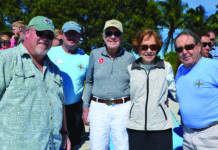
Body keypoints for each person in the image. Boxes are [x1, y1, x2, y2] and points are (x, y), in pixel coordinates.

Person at [0, 16, 70, 150]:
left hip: (53, 145)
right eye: (40, 33)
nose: (45, 38)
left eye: (49, 35)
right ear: (27, 33)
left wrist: (65, 132)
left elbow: (60, 103)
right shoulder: (6, 59)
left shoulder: (55, 70)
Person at [82, 19, 135, 150]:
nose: (112, 36)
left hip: (123, 108)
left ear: (122, 37)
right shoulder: (95, 54)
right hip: (98, 107)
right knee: (97, 146)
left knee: (123, 146)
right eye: (109, 33)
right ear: (103, 36)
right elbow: (89, 82)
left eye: (116, 33)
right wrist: (85, 107)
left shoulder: (130, 57)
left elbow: (135, 85)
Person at [126, 29, 176, 150]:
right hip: (136, 126)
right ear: (138, 48)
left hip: (161, 126)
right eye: (144, 47)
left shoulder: (166, 67)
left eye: (153, 47)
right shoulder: (130, 69)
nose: (149, 50)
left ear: (157, 48)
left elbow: (175, 92)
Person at [48, 21, 89, 150]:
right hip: (52, 106)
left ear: (80, 36)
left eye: (75, 34)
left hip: (74, 108)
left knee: (73, 143)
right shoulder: (50, 52)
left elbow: (90, 83)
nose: (72, 37)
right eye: (68, 34)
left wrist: (86, 108)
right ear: (62, 35)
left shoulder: (86, 58)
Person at [175, 30, 218, 150]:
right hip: (187, 136)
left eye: (189, 47)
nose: (184, 52)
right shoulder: (180, 70)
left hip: (211, 137)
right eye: (179, 49)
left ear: (199, 46)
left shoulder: (214, 66)